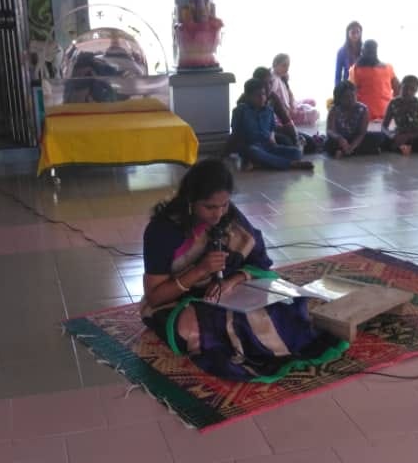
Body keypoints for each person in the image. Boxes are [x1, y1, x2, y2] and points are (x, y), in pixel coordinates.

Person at [140, 160, 346, 380]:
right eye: (209, 207)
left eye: (224, 204)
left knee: (286, 304)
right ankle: (254, 350)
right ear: (190, 200)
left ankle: (266, 344)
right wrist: (200, 271)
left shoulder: (229, 217)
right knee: (200, 328)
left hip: (228, 290)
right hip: (179, 300)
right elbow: (155, 298)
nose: (218, 214)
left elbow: (259, 262)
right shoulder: (163, 230)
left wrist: (233, 280)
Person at [230, 78, 313, 171]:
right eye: (257, 95)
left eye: (263, 94)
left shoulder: (269, 110)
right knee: (254, 152)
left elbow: (271, 131)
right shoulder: (240, 111)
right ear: (248, 97)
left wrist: (274, 144)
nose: (261, 98)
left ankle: (260, 164)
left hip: (267, 146)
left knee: (296, 153)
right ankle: (291, 164)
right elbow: (235, 133)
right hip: (250, 147)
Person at [325, 81, 386, 158]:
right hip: (340, 140)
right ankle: (362, 151)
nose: (351, 99)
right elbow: (330, 130)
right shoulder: (334, 110)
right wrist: (339, 138)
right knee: (328, 143)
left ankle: (343, 152)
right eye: (346, 97)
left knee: (379, 137)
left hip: (356, 139)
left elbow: (361, 133)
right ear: (339, 98)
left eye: (353, 96)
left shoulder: (363, 109)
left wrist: (352, 147)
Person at [382, 76, 418, 155]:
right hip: (399, 134)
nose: (408, 92)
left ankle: (401, 148)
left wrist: (407, 136)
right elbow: (384, 127)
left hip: (416, 136)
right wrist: (392, 135)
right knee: (378, 138)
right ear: (400, 87)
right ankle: (403, 147)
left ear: (416, 90)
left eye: (412, 89)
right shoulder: (393, 103)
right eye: (405, 88)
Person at [349, 39, 400, 122]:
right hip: (385, 115)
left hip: (364, 116)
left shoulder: (355, 70)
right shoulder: (388, 67)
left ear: (362, 51)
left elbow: (350, 95)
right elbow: (398, 90)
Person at [251, 66, 299, 147]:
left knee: (306, 141)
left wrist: (294, 133)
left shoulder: (272, 97)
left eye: (270, 83)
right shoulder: (249, 99)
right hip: (260, 134)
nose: (268, 87)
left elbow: (285, 119)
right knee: (287, 142)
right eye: (264, 84)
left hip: (273, 129)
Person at [271, 54, 319, 126]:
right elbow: (275, 101)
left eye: (288, 66)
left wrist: (293, 104)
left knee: (312, 101)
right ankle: (292, 120)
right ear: (275, 64)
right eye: (284, 65)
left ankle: (299, 111)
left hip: (292, 104)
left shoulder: (282, 76)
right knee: (315, 114)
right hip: (285, 111)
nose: (287, 69)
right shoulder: (273, 79)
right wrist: (291, 109)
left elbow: (290, 94)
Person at [334, 21, 363, 86]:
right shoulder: (341, 52)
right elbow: (338, 75)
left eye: (358, 32)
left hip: (363, 86)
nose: (355, 35)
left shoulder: (364, 50)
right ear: (348, 33)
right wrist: (337, 90)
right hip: (348, 87)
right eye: (353, 32)